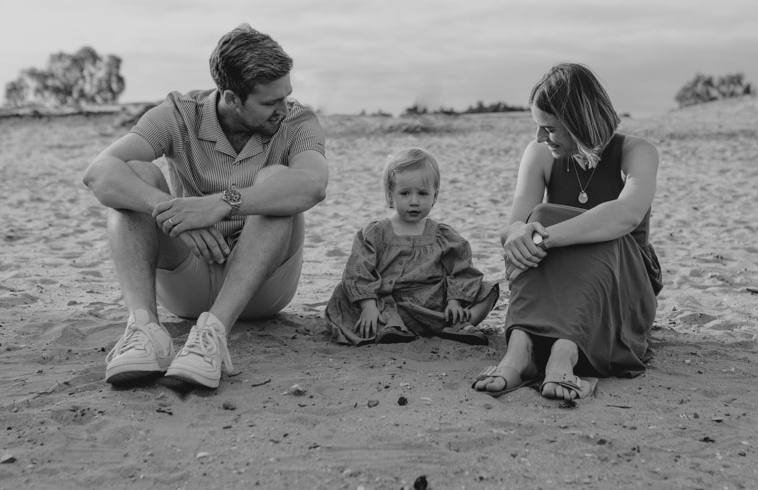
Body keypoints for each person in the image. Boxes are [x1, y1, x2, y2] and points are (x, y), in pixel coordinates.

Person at [83, 24, 328, 389]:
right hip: (188, 277)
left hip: (261, 286)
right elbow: (98, 173)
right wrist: (172, 210)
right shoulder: (178, 114)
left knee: (278, 180)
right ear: (231, 98)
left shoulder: (298, 122)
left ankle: (213, 335)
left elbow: (312, 185)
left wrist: (223, 203)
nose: (283, 108)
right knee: (134, 174)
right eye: (269, 102)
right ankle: (145, 330)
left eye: (286, 95)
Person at [472, 63, 662, 401]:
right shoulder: (540, 154)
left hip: (624, 284)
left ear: (578, 123)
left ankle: (564, 354)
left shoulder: (638, 152)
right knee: (536, 218)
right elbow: (514, 223)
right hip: (560, 282)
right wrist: (518, 233)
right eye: (537, 127)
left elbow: (625, 216)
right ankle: (520, 352)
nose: (540, 138)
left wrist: (544, 237)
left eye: (549, 128)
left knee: (589, 230)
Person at [324, 148, 499, 346]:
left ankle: (459, 324)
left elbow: (462, 270)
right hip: (390, 305)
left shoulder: (443, 235)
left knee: (488, 289)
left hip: (433, 305)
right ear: (390, 196)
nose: (414, 201)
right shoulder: (375, 233)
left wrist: (454, 302)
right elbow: (358, 272)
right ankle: (389, 329)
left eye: (423, 193)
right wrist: (368, 306)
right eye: (405, 193)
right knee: (346, 299)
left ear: (435, 196)